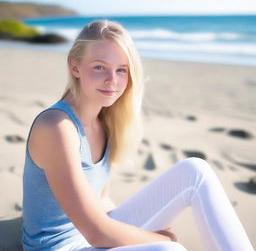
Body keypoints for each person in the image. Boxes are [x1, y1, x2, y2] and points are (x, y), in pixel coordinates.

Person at [21, 20, 254, 251]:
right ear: (75, 67)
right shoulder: (57, 127)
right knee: (170, 250)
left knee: (195, 171)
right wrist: (158, 238)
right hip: (60, 247)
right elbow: (96, 233)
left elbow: (102, 203)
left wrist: (141, 234)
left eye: (121, 70)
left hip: (92, 236)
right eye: (100, 67)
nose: (112, 80)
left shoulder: (104, 121)